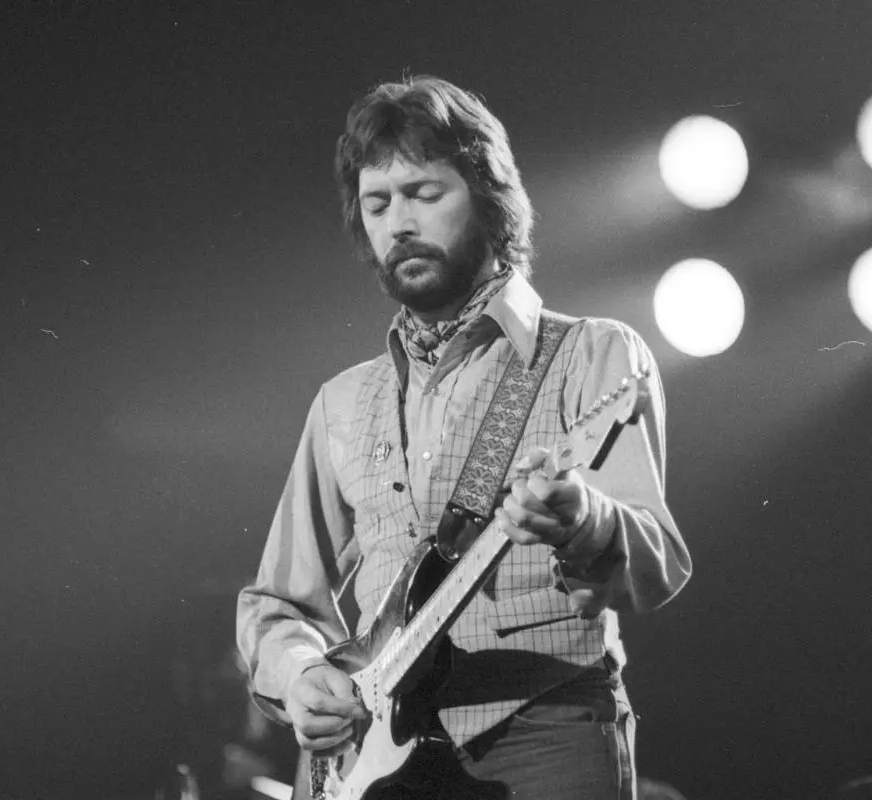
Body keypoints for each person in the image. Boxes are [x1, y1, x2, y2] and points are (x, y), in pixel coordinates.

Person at [235, 75, 691, 800]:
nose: (399, 223)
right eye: (378, 203)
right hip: (371, 764)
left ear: (488, 196)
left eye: (424, 193)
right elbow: (279, 604)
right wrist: (302, 677)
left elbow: (658, 561)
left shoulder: (593, 355)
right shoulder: (342, 403)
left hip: (545, 732)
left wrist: (583, 519)